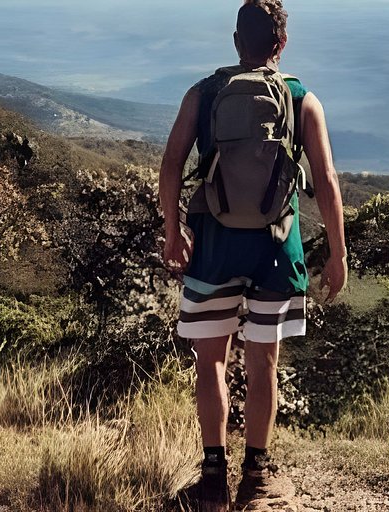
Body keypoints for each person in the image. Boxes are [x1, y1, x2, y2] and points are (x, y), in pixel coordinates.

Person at [159, 0, 347, 508]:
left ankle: (213, 476)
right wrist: (337, 253)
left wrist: (174, 233)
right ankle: (256, 476)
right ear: (281, 44)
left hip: (213, 244)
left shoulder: (202, 93)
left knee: (210, 362)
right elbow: (326, 180)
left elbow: (171, 164)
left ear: (236, 40)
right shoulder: (302, 99)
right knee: (263, 361)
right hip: (276, 248)